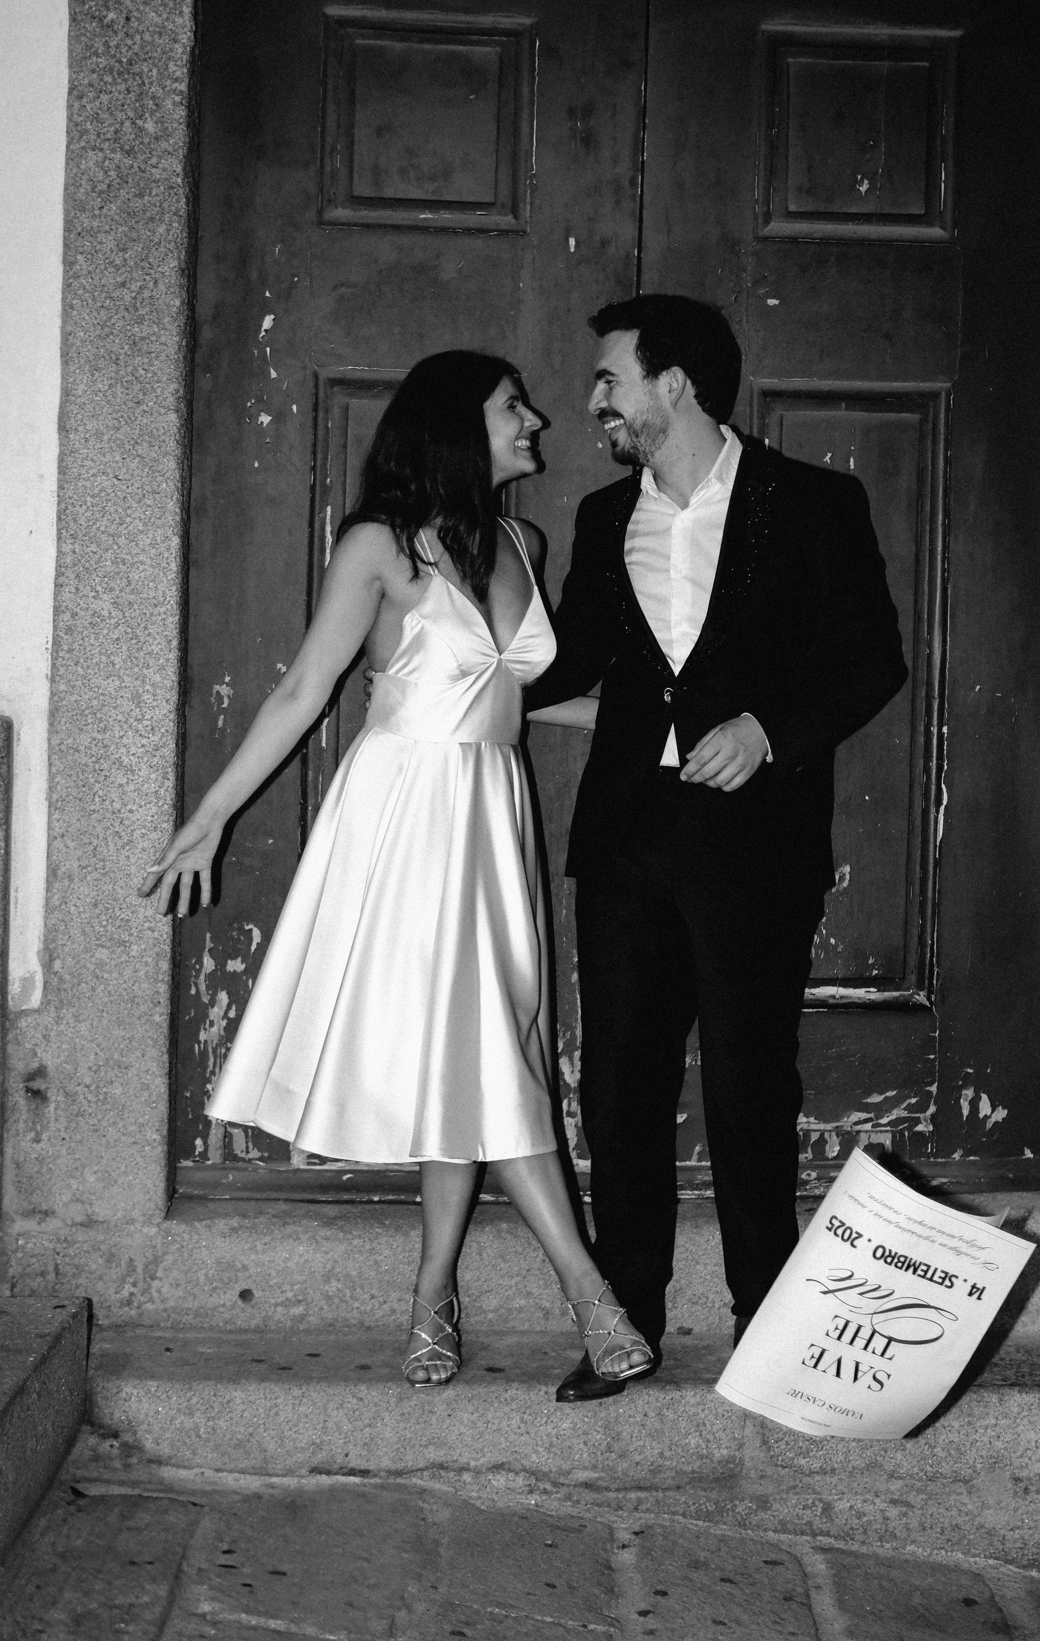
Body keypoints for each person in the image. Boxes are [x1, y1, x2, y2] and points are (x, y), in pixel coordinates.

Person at [139, 351, 653, 1393]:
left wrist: (661, 728)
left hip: (493, 814)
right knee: (491, 1053)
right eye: (513, 407)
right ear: (457, 424)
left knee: (473, 1055)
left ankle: (432, 1291)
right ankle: (591, 1297)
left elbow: (509, 692)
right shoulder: (377, 545)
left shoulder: (521, 541)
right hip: (408, 816)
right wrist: (208, 820)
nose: (537, 420)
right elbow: (304, 690)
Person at [524, 296, 909, 1402]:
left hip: (755, 841)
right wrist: (447, 655)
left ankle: (764, 1325)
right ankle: (628, 1325)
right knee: (619, 1088)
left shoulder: (814, 502)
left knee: (749, 1083)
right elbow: (570, 658)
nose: (594, 401)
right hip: (628, 838)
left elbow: (871, 660)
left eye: (610, 379)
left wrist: (769, 732)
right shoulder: (606, 516)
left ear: (675, 384)